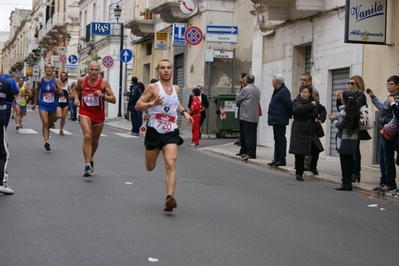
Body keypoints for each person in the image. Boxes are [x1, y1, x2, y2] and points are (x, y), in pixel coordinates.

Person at [135, 59, 194, 212]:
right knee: (150, 167)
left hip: (170, 131)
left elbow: (175, 104)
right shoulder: (153, 87)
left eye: (168, 68)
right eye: (163, 68)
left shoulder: (176, 88)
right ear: (158, 71)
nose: (166, 70)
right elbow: (138, 105)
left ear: (172, 71)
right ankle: (168, 195)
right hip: (154, 131)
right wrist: (152, 104)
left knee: (170, 163)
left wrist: (185, 113)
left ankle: (169, 198)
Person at [73, 61, 116, 177]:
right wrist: (76, 99)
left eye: (96, 70)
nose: (94, 72)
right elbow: (75, 90)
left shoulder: (103, 83)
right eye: (92, 69)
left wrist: (102, 95)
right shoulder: (82, 81)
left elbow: (113, 99)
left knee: (95, 140)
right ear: (88, 70)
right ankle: (87, 165)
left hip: (98, 114)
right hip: (85, 112)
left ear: (99, 71)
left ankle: (91, 157)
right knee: (87, 136)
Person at [336, 75, 371, 183]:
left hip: (356, 126)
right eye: (349, 83)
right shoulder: (349, 95)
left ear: (358, 84)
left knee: (355, 150)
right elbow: (341, 108)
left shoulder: (360, 95)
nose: (349, 85)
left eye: (352, 83)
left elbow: (353, 107)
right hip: (348, 125)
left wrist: (347, 100)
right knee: (350, 150)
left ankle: (356, 172)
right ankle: (352, 172)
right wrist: (339, 99)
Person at [367, 75, 399, 192]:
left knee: (388, 158)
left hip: (390, 132)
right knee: (382, 158)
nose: (388, 86)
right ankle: (383, 181)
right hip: (384, 132)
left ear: (397, 85)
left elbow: (396, 116)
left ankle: (390, 183)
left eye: (391, 84)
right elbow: (382, 108)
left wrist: (387, 128)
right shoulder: (390, 98)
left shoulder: (396, 99)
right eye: (387, 84)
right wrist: (373, 97)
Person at [289, 85, 324, 181]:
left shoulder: (315, 103)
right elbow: (299, 110)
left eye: (305, 92)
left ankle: (313, 166)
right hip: (300, 128)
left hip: (311, 129)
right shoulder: (297, 102)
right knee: (299, 152)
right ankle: (299, 172)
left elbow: (322, 110)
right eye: (302, 92)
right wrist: (311, 106)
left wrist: (321, 119)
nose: (303, 93)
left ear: (310, 94)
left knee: (316, 148)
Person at [328, 91, 359, 191]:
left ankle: (345, 183)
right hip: (353, 138)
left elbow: (340, 125)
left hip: (344, 139)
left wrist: (333, 119)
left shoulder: (343, 111)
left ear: (343, 100)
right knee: (350, 160)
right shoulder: (355, 110)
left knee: (344, 162)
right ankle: (349, 182)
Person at [32, 63, 63, 151]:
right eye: (47, 67)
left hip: (52, 104)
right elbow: (37, 91)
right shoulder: (40, 81)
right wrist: (35, 102)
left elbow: (62, 93)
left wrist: (56, 89)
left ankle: (51, 126)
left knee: (49, 124)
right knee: (45, 123)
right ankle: (46, 141)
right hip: (43, 104)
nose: (49, 69)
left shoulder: (56, 81)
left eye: (51, 68)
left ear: (53, 70)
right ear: (45, 69)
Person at [267, 74, 293, 167]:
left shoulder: (284, 91)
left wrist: (289, 115)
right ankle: (276, 157)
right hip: (276, 119)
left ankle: (282, 158)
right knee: (277, 139)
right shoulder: (277, 90)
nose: (271, 82)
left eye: (273, 80)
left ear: (277, 82)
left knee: (280, 139)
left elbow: (289, 105)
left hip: (280, 119)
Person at [235, 74, 261, 161]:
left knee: (247, 135)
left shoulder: (245, 89)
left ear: (246, 81)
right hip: (254, 115)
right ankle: (250, 151)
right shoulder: (257, 89)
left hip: (246, 115)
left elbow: (237, 99)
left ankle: (250, 152)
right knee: (253, 135)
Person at [300, 74, 321, 171]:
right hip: (302, 123)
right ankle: (304, 163)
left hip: (310, 123)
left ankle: (308, 164)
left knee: (310, 144)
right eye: (301, 80)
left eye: (304, 80)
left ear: (310, 81)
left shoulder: (314, 92)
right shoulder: (302, 92)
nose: (302, 81)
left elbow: (316, 108)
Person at [0, 76, 15, 194]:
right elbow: (10, 97)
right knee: (2, 152)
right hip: (0, 121)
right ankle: (1, 183)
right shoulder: (4, 83)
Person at [234, 73, 247, 146]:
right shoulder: (241, 87)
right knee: (240, 124)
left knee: (243, 125)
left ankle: (242, 140)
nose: (239, 79)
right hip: (240, 107)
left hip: (244, 109)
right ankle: (240, 139)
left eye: (240, 78)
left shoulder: (245, 88)